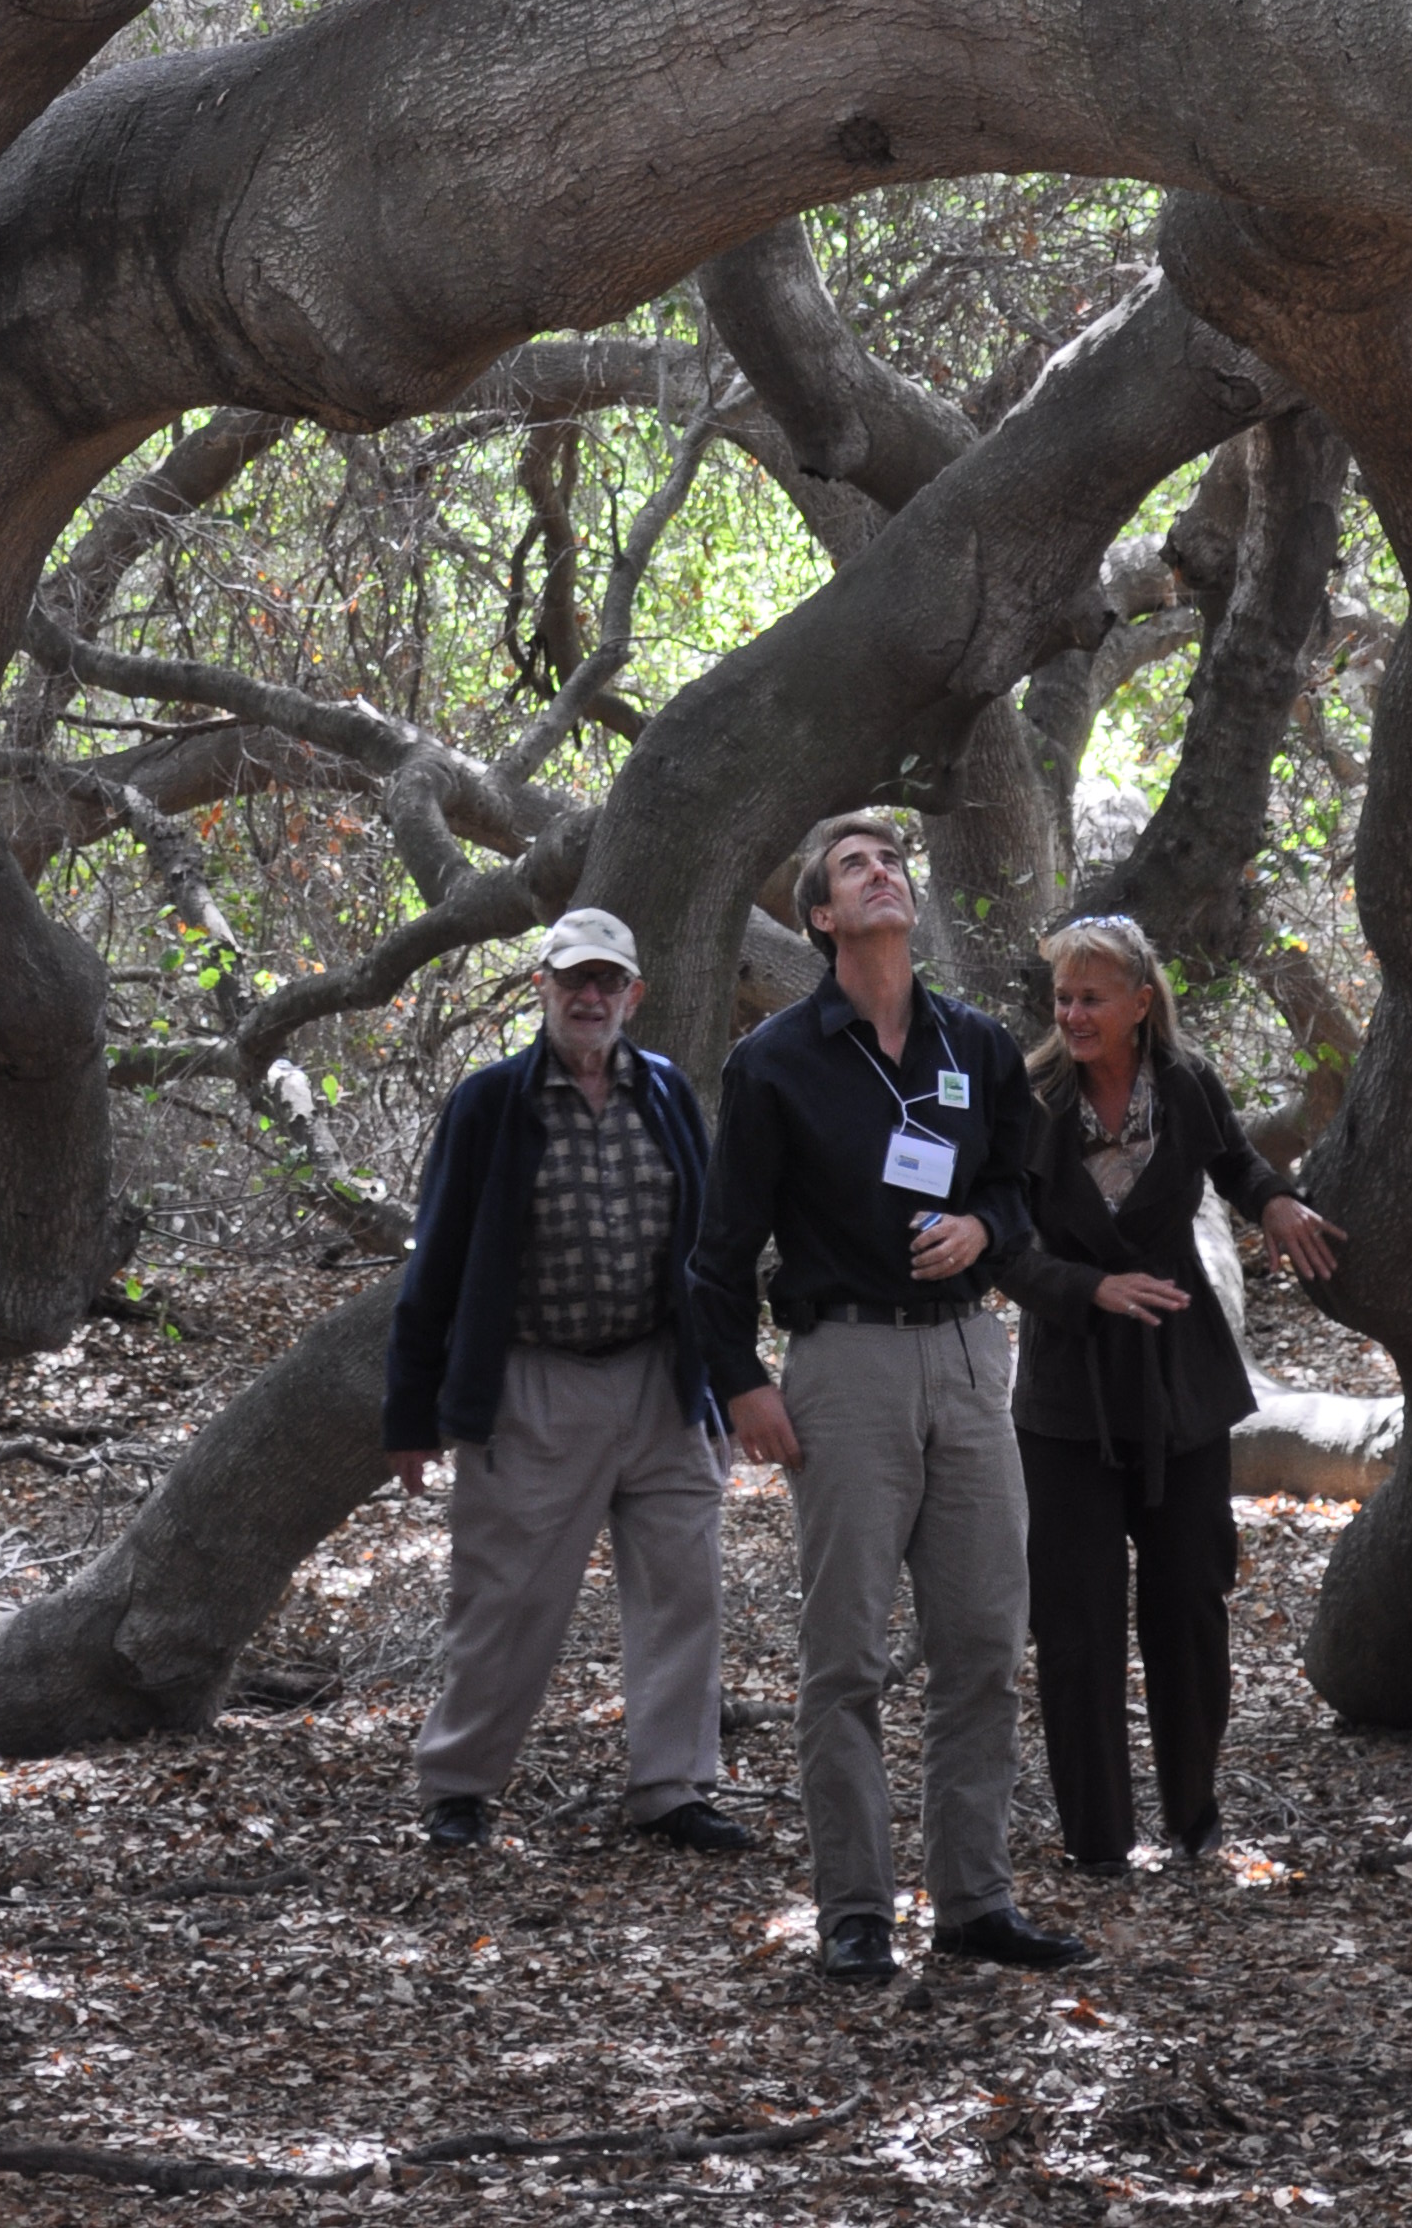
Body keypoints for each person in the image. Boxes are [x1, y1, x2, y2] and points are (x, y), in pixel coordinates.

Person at [691, 815, 1088, 1984]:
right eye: (853, 866)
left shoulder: (974, 1046)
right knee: (846, 1657)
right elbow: (717, 1256)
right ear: (819, 917)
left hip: (969, 1359)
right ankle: (856, 1910)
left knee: (978, 1644)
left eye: (892, 862)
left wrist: (982, 1225)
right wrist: (742, 1384)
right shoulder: (773, 1064)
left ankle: (973, 1902)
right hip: (845, 1367)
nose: (881, 873)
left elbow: (1020, 1191)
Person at [384, 909, 748, 1856]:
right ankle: (459, 1788)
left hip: (661, 1381)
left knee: (684, 1590)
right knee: (504, 1598)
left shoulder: (667, 1092)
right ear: (540, 988)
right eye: (571, 981)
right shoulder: (491, 1102)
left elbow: (708, 1251)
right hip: (534, 1385)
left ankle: (673, 1787)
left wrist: (726, 1385)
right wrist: (413, 1414)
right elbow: (438, 1267)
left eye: (607, 983)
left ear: (635, 995)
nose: (590, 998)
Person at [991, 913, 1343, 1876]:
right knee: (1076, 1620)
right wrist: (1087, 1287)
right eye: (1063, 998)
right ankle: (1097, 1841)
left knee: (1190, 1600)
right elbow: (1003, 1246)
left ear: (1142, 1005)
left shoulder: (1184, 1086)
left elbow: (1233, 1161)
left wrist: (1275, 1200)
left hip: (1181, 1385)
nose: (1073, 1014)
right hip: (1067, 1395)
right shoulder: (1028, 1100)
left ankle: (1194, 1817)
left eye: (1092, 997)